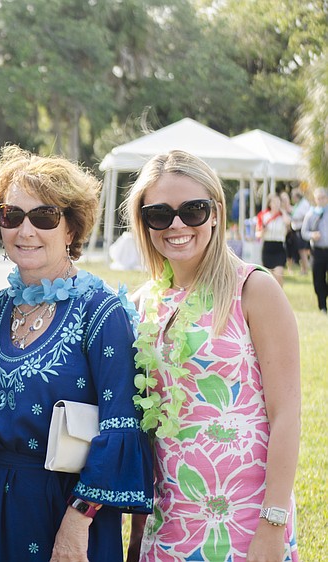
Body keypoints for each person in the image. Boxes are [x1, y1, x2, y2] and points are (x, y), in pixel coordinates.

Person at [0, 145, 153, 561]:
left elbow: (122, 426)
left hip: (70, 508)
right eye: (12, 216)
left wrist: (78, 519)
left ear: (71, 229)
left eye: (44, 216)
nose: (26, 230)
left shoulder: (101, 312)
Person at [125, 150, 300, 561]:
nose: (177, 225)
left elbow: (287, 414)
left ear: (216, 213)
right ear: (143, 222)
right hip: (169, 524)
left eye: (193, 210)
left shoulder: (253, 290)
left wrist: (272, 524)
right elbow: (144, 433)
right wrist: (137, 532)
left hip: (246, 522)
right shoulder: (141, 305)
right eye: (159, 214)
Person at [301, 187, 328, 313]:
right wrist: (312, 235)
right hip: (317, 251)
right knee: (318, 279)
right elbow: (304, 232)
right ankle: (322, 306)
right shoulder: (311, 214)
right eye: (319, 198)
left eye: (323, 197)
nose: (321, 200)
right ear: (315, 199)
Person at [256, 192, 290, 285]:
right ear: (269, 203)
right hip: (267, 247)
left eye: (278, 202)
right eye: (274, 202)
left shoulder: (283, 216)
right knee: (269, 277)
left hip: (279, 247)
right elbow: (257, 234)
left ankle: (280, 293)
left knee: (279, 274)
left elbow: (288, 223)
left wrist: (283, 211)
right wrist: (263, 231)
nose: (276, 204)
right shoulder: (263, 216)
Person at [288, 188, 311, 275]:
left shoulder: (304, 204)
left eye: (293, 197)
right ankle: (303, 268)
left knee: (302, 250)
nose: (293, 199)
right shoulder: (298, 204)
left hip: (301, 229)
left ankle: (305, 269)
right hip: (296, 229)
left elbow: (304, 215)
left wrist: (293, 217)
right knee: (301, 250)